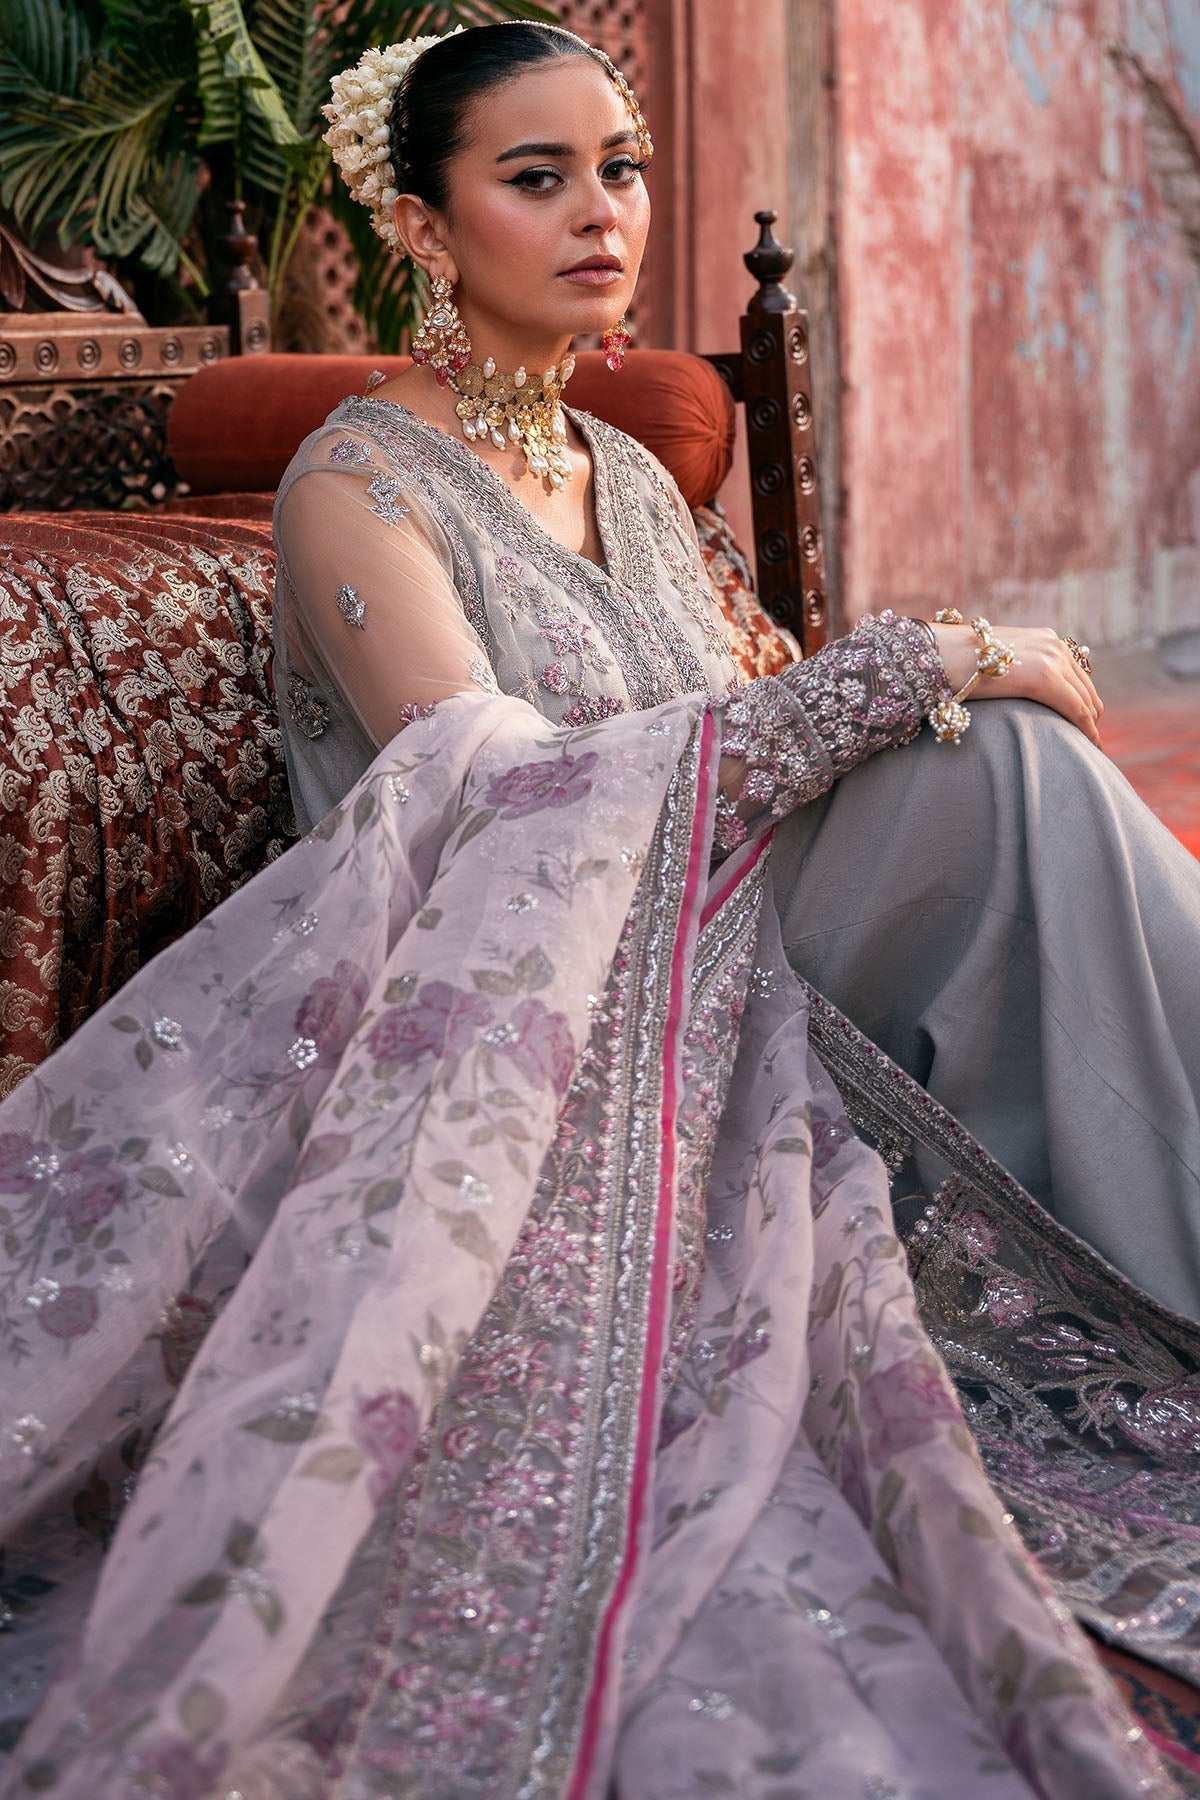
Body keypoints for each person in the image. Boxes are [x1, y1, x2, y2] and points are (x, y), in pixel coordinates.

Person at [0, 20, 1198, 1798]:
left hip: (732, 924)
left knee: (1010, 764)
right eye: (536, 177)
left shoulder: (624, 469)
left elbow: (755, 713)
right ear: (424, 226)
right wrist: (909, 665)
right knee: (998, 755)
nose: (600, 213)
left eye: (621, 169)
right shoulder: (355, 483)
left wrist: (900, 689)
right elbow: (500, 806)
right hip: (551, 1005)